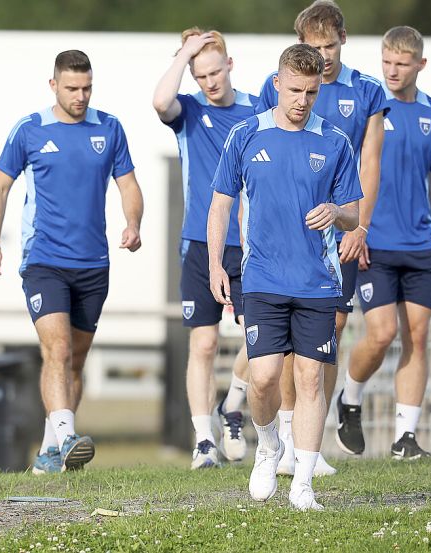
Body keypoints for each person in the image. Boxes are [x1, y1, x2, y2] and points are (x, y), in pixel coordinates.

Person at [208, 44, 362, 510]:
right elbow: (220, 204)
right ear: (277, 84)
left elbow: (354, 214)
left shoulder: (335, 141)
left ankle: (304, 484)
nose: (302, 100)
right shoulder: (246, 135)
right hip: (261, 279)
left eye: (311, 93)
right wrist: (217, 264)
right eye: (295, 90)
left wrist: (336, 212)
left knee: (311, 379)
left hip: (317, 281)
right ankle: (269, 444)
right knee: (264, 377)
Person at [0, 49, 143, 473]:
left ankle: (49, 453)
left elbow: (128, 185)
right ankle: (69, 437)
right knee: (56, 350)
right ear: (53, 85)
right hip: (45, 260)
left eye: (87, 87)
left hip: (94, 263)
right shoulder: (30, 130)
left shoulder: (109, 129)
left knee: (76, 359)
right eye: (72, 88)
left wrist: (133, 222)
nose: (81, 95)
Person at [255, 0, 386, 478]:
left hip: (340, 234)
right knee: (285, 344)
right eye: (314, 47)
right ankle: (285, 437)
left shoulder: (367, 92)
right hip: (284, 243)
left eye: (330, 45)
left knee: (328, 333)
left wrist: (360, 226)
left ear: (343, 41)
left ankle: (309, 440)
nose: (323, 55)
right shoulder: (281, 88)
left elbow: (370, 163)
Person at [340, 26, 431, 460]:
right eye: (386, 61)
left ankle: (405, 439)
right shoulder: (371, 109)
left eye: (401, 64)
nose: (392, 70)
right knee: (382, 332)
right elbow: (348, 170)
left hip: (421, 245)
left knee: (419, 336)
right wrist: (357, 228)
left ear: (420, 65)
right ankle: (349, 398)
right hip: (375, 242)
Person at [152, 27, 256, 468]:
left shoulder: (257, 109)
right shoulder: (189, 111)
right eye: (201, 76)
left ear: (230, 66)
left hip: (252, 244)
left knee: (262, 339)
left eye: (215, 72)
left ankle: (232, 404)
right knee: (204, 344)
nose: (210, 82)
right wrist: (185, 55)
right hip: (200, 242)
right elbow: (160, 101)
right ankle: (203, 441)